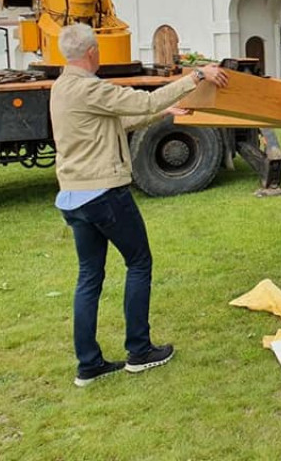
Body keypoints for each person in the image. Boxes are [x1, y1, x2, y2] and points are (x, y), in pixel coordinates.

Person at [50, 23, 229, 387]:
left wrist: (168, 112)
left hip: (73, 196)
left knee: (89, 278)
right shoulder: (90, 87)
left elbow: (122, 121)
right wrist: (196, 76)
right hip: (103, 193)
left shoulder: (62, 88)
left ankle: (89, 365)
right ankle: (140, 351)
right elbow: (143, 101)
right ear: (91, 53)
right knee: (139, 262)